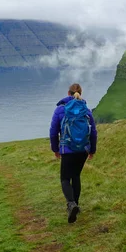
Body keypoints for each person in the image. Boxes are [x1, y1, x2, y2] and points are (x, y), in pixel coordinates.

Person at [49, 83, 97, 223]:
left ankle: (71, 204)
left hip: (67, 149)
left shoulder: (60, 109)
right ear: (80, 94)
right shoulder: (86, 110)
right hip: (83, 150)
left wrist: (55, 149)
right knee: (76, 176)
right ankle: (76, 204)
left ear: (68, 93)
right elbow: (93, 132)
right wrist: (92, 150)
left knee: (65, 178)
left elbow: (53, 132)